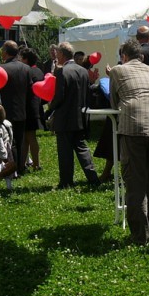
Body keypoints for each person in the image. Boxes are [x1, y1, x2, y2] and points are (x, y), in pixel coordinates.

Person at [109, 39, 149, 244]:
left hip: (134, 126)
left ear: (124, 56)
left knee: (135, 180)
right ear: (141, 57)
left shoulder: (117, 70)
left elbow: (114, 102)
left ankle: (141, 235)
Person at [49, 42, 100, 188]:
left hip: (64, 117)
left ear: (62, 54)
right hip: (80, 116)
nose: (56, 56)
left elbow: (59, 96)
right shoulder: (83, 70)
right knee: (82, 148)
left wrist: (50, 109)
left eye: (58, 54)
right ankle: (93, 178)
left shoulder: (62, 71)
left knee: (65, 151)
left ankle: (66, 181)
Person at [0, 40, 33, 174]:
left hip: (5, 111)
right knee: (20, 141)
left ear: (5, 52)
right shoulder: (26, 68)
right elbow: (30, 91)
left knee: (8, 141)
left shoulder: (1, 68)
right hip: (22, 110)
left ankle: (11, 168)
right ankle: (20, 167)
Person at [19, 47, 44, 171]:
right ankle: (23, 163)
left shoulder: (27, 71)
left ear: (26, 59)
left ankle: (36, 164)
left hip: (28, 108)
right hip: (36, 107)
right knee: (26, 138)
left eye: (21, 58)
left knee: (30, 137)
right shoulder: (38, 71)